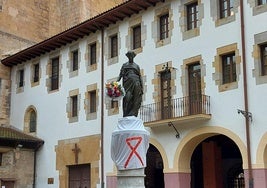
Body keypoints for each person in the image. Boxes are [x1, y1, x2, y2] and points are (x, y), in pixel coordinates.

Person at [117, 51, 143, 117]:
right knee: (127, 98)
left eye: (131, 56)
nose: (130, 57)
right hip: (127, 83)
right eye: (129, 56)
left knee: (136, 98)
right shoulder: (124, 65)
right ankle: (126, 113)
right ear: (128, 57)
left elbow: (140, 77)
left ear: (133, 57)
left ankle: (133, 113)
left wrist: (142, 87)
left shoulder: (136, 66)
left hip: (136, 82)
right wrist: (116, 83)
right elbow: (120, 75)